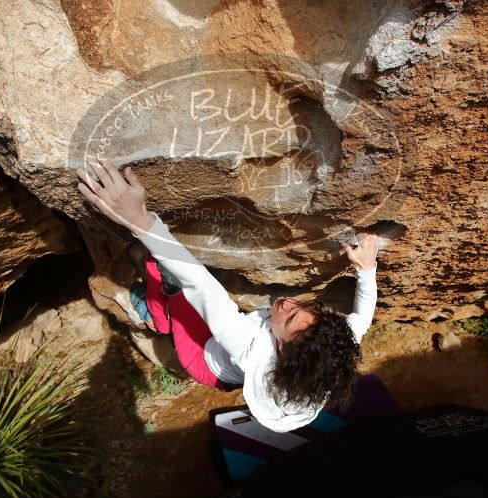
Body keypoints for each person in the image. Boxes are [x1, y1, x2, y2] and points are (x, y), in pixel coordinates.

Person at [77, 156, 381, 433]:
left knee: (179, 292)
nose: (286, 303)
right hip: (229, 372)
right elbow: (362, 317)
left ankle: (154, 315)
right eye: (304, 308)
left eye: (288, 319)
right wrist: (367, 268)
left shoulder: (246, 345)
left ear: (281, 351)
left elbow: (201, 285)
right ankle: (161, 312)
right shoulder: (325, 353)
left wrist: (139, 220)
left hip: (202, 359)